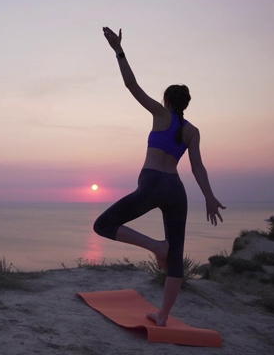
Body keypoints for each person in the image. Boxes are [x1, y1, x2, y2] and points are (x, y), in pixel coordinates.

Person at [93, 27, 226, 327]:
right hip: (176, 190)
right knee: (176, 256)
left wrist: (118, 50)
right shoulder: (192, 130)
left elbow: (131, 85)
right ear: (186, 104)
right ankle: (163, 315)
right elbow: (197, 168)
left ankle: (155, 246)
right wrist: (209, 196)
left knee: (103, 224)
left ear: (167, 100)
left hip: (153, 183)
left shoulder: (160, 115)